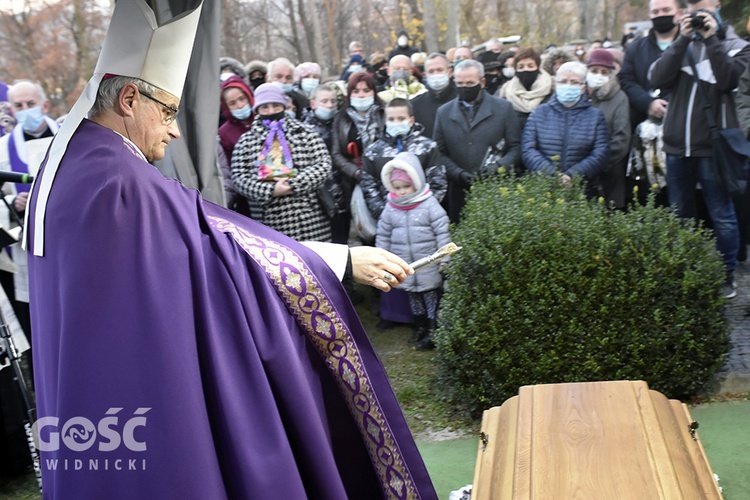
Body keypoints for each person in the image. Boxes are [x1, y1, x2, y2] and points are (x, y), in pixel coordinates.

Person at [24, 1, 437, 497]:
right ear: (130, 98)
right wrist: (344, 260)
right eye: (169, 111)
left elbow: (201, 247)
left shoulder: (72, 158)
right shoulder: (120, 179)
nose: (174, 130)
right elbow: (222, 256)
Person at [649, 0, 750, 297]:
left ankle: (726, 274)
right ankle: (684, 269)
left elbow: (728, 80)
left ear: (716, 5)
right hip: (676, 142)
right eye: (691, 4)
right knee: (679, 211)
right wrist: (682, 39)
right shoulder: (678, 44)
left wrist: (712, 38)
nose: (697, 9)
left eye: (702, 3)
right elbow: (657, 78)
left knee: (721, 212)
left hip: (713, 145)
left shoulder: (738, 45)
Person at [0, 80, 59, 354]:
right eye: (19, 106)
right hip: (28, 247)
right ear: (11, 110)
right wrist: (14, 202)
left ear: (44, 104)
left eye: (31, 104)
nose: (25, 110)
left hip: (75, 242)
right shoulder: (3, 149)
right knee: (43, 331)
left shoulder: (74, 137)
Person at [231, 83, 332, 241]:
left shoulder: (305, 132)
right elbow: (239, 178)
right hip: (269, 221)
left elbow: (323, 165)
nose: (271, 111)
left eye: (276, 106)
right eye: (265, 107)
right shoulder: (246, 141)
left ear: (284, 106)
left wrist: (294, 183)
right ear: (257, 109)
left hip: (310, 217)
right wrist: (271, 190)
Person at [376, 152, 450, 350]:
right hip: (405, 264)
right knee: (413, 297)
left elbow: (442, 231)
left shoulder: (429, 205)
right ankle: (420, 327)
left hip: (428, 264)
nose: (402, 192)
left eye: (406, 187)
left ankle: (433, 329)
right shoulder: (391, 208)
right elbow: (383, 234)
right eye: (397, 188)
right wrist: (381, 259)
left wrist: (445, 259)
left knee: (430, 295)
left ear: (416, 183)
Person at [433, 59, 522, 223]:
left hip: (497, 188)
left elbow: (515, 148)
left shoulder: (503, 108)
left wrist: (498, 167)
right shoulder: (443, 112)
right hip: (459, 191)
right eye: (460, 83)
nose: (464, 87)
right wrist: (458, 173)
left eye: (469, 83)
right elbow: (439, 152)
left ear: (482, 82)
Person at [522, 61, 610, 197]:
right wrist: (552, 175)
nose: (568, 86)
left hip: (583, 190)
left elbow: (601, 153)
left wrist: (572, 175)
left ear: (583, 87)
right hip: (544, 189)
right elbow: (528, 149)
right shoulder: (539, 113)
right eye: (563, 81)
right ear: (555, 84)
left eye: (574, 82)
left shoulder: (595, 116)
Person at [331, 72, 385, 242]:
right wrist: (356, 172)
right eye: (356, 91)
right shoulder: (341, 119)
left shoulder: (384, 114)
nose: (361, 95)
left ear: (374, 92)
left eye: (366, 90)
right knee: (365, 229)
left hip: (384, 180)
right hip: (355, 181)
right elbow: (336, 153)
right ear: (349, 94)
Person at [619, 0, 682, 130]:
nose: (660, 15)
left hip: (683, 123)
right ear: (649, 16)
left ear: (679, 13)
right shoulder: (635, 49)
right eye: (655, 12)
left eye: (666, 10)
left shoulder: (692, 46)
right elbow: (626, 80)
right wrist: (648, 103)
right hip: (644, 125)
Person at [585, 49, 631, 209]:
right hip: (579, 171)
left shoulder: (619, 98)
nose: (598, 75)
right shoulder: (580, 95)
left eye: (604, 72)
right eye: (594, 71)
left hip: (609, 172)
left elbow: (622, 138)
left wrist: (597, 162)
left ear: (611, 74)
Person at [217, 74, 254, 214]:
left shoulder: (263, 120)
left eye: (242, 99)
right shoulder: (224, 133)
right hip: (246, 195)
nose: (239, 105)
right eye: (232, 103)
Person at [498, 47, 554, 131]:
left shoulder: (551, 90)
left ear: (538, 68)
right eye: (521, 67)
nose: (526, 70)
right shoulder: (506, 92)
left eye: (530, 66)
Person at [411, 53, 457, 139]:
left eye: (440, 70)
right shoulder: (415, 105)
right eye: (431, 71)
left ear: (450, 72)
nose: (435, 74)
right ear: (425, 75)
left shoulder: (462, 99)